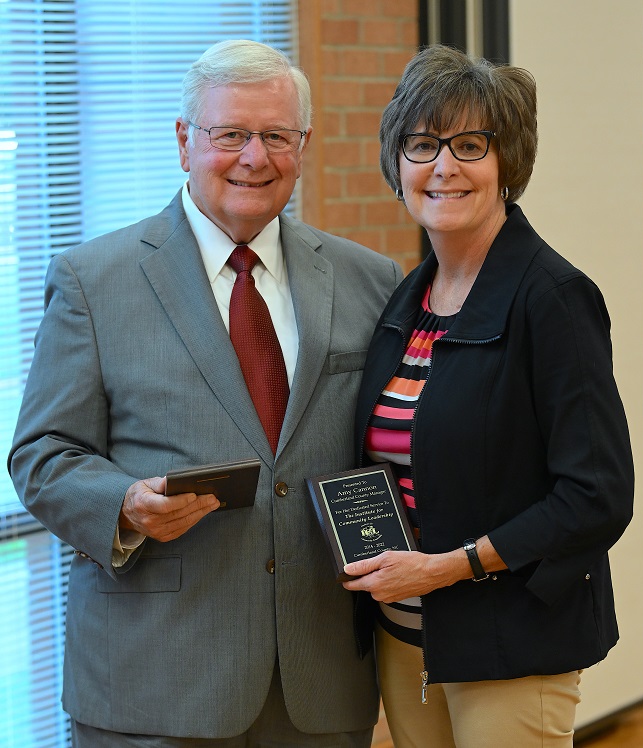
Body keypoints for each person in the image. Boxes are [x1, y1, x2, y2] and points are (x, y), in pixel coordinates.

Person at [8, 39, 401, 747]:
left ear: (303, 145)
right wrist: (124, 504)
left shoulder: (369, 280)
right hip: (155, 682)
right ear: (185, 139)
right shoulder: (94, 283)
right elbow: (42, 455)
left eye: (276, 135)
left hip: (317, 689)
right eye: (230, 135)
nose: (255, 157)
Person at [342, 45, 634, 748]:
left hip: (511, 646)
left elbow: (596, 494)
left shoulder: (553, 298)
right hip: (405, 639)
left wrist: (448, 567)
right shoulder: (408, 300)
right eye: (421, 145)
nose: (443, 167)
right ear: (397, 164)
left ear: (510, 163)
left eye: (469, 145)